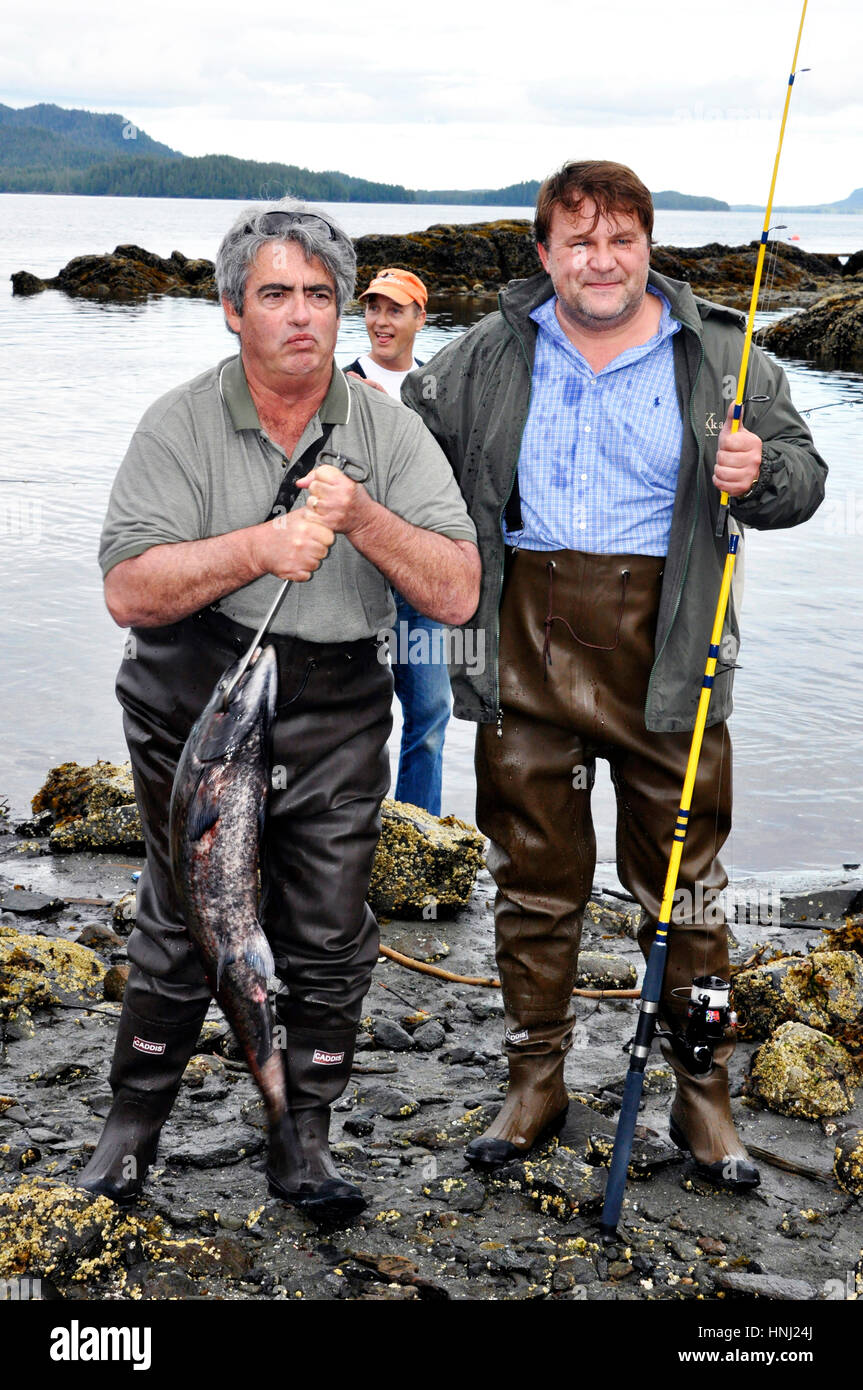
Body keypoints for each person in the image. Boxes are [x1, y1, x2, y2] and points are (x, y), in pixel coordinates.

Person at [402, 160, 827, 1187]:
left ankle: (702, 1099)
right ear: (543, 255)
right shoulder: (488, 351)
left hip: (671, 660)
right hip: (520, 652)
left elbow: (803, 475)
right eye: (578, 241)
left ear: (648, 248)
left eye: (621, 239)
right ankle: (533, 1082)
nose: (601, 259)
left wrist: (756, 473)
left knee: (687, 897)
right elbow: (397, 440)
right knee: (532, 888)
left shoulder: (722, 354)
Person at [80, 199, 479, 1219]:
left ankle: (299, 1136)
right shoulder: (178, 422)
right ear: (229, 310)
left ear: (343, 310)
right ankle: (129, 1132)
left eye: (318, 294)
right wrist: (256, 550)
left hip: (338, 700)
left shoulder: (390, 433)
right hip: (192, 692)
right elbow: (129, 587)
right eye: (274, 295)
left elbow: (455, 591)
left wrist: (364, 520)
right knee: (184, 924)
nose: (301, 315)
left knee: (329, 927)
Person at [344, 269, 451, 815]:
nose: (380, 321)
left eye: (395, 310)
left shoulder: (439, 387)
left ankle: (421, 835)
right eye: (372, 308)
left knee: (431, 713)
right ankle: (348, 835)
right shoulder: (339, 384)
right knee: (355, 717)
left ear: (419, 318)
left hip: (421, 578)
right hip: (354, 579)